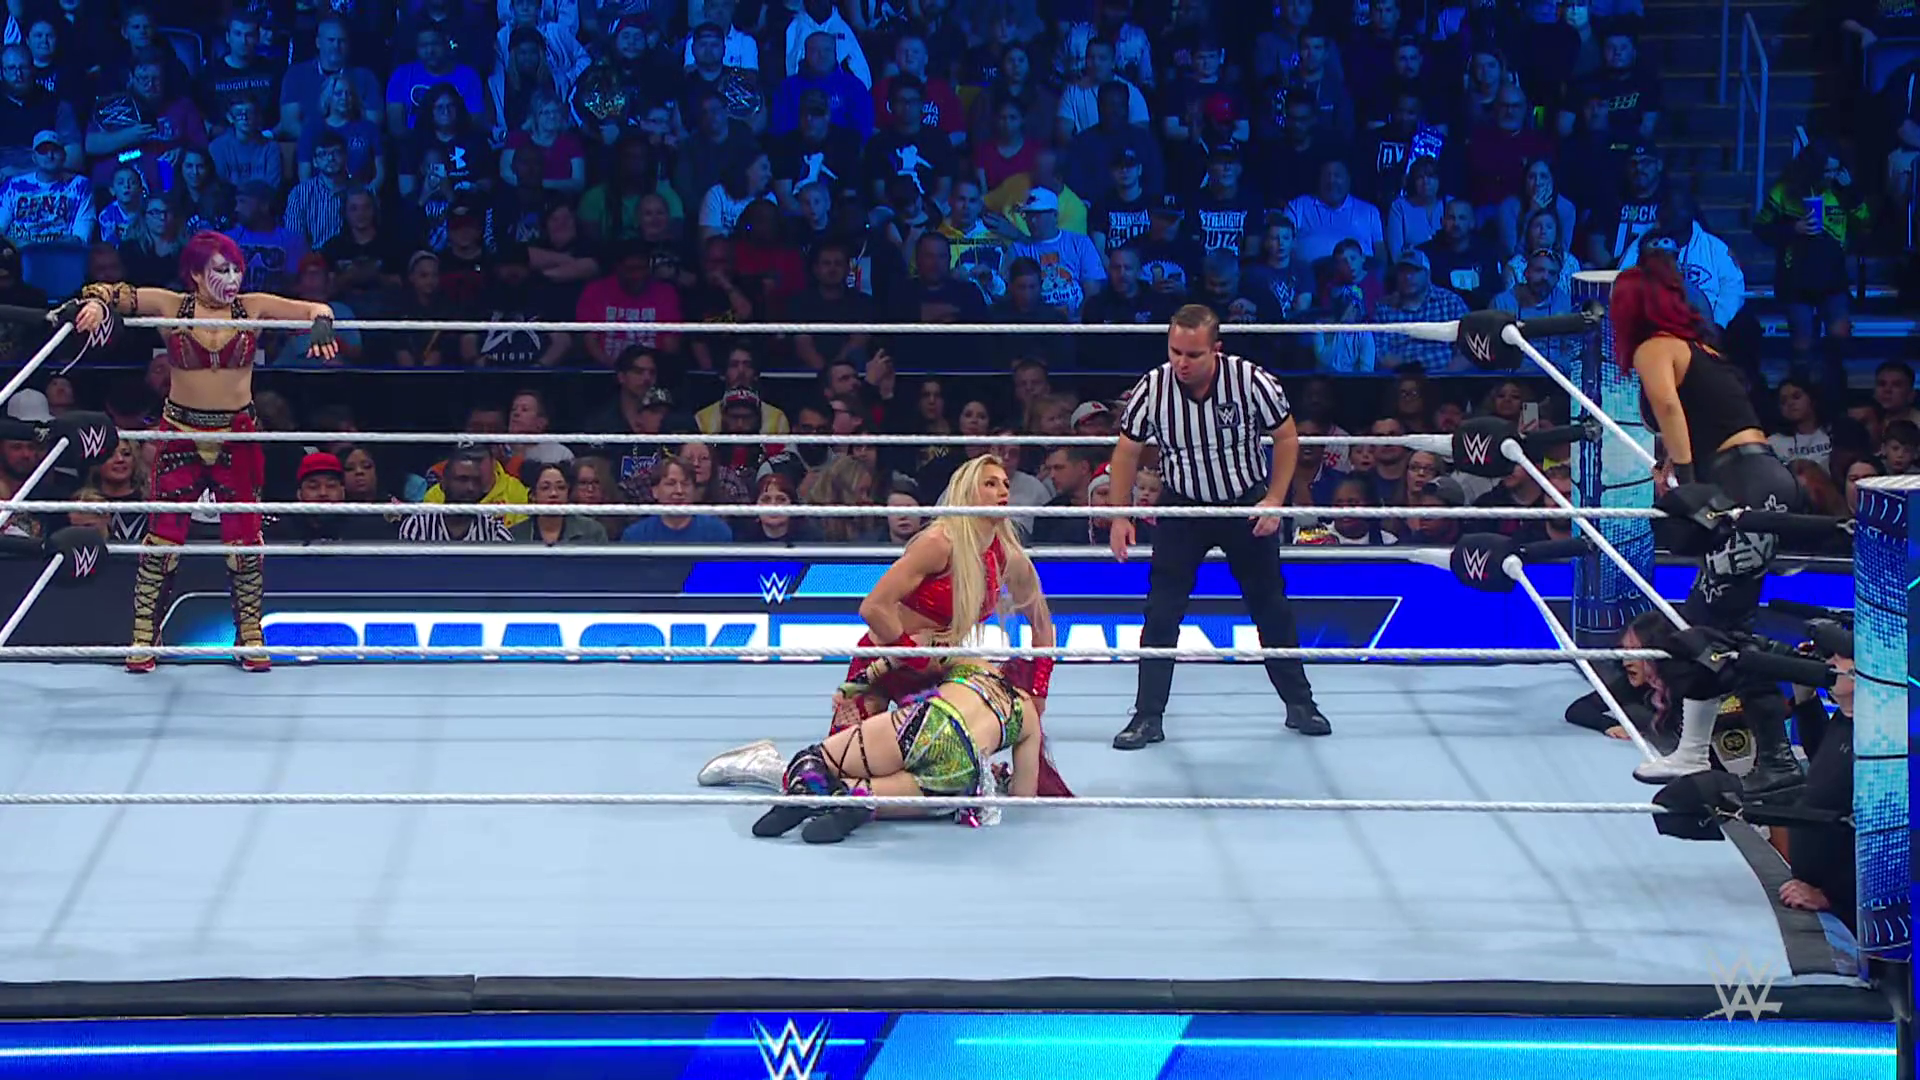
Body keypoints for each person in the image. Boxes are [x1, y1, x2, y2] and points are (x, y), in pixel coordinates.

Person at [699, 455, 1072, 801]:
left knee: (931, 765)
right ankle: (761, 764)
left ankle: (987, 775)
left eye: (1005, 483)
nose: (1002, 490)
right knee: (835, 772)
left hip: (936, 668)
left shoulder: (1008, 556)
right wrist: (913, 654)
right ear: (966, 491)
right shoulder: (938, 543)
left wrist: (1039, 689)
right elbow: (873, 606)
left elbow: (1042, 623)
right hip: (884, 661)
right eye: (989, 483)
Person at [71, 231, 336, 673]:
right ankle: (144, 633)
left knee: (245, 537)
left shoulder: (252, 307)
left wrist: (322, 324)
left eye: (236, 270)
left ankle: (249, 633)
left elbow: (315, 308)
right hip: (181, 431)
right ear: (195, 274)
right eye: (221, 270)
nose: (231, 279)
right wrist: (98, 305)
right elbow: (109, 291)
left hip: (236, 434)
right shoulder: (170, 306)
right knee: (163, 537)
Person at [1613, 257, 1803, 800]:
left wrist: (1687, 480)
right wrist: (1674, 469)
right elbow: (1702, 418)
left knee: (1707, 625)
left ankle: (1753, 756)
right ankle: (1716, 753)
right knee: (1721, 629)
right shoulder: (1701, 350)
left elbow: (1671, 409)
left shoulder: (1655, 346)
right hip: (1757, 480)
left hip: (1742, 485)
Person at [1106, 304, 1330, 750]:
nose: (1182, 363)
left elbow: (1286, 438)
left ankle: (1300, 704)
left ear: (1216, 350)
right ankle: (1147, 716)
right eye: (1175, 352)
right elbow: (1127, 452)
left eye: (1193, 354)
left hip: (1243, 502)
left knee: (1270, 606)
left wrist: (1274, 499)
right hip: (1183, 506)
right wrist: (1119, 515)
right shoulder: (1153, 387)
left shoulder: (1251, 380)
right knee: (1161, 611)